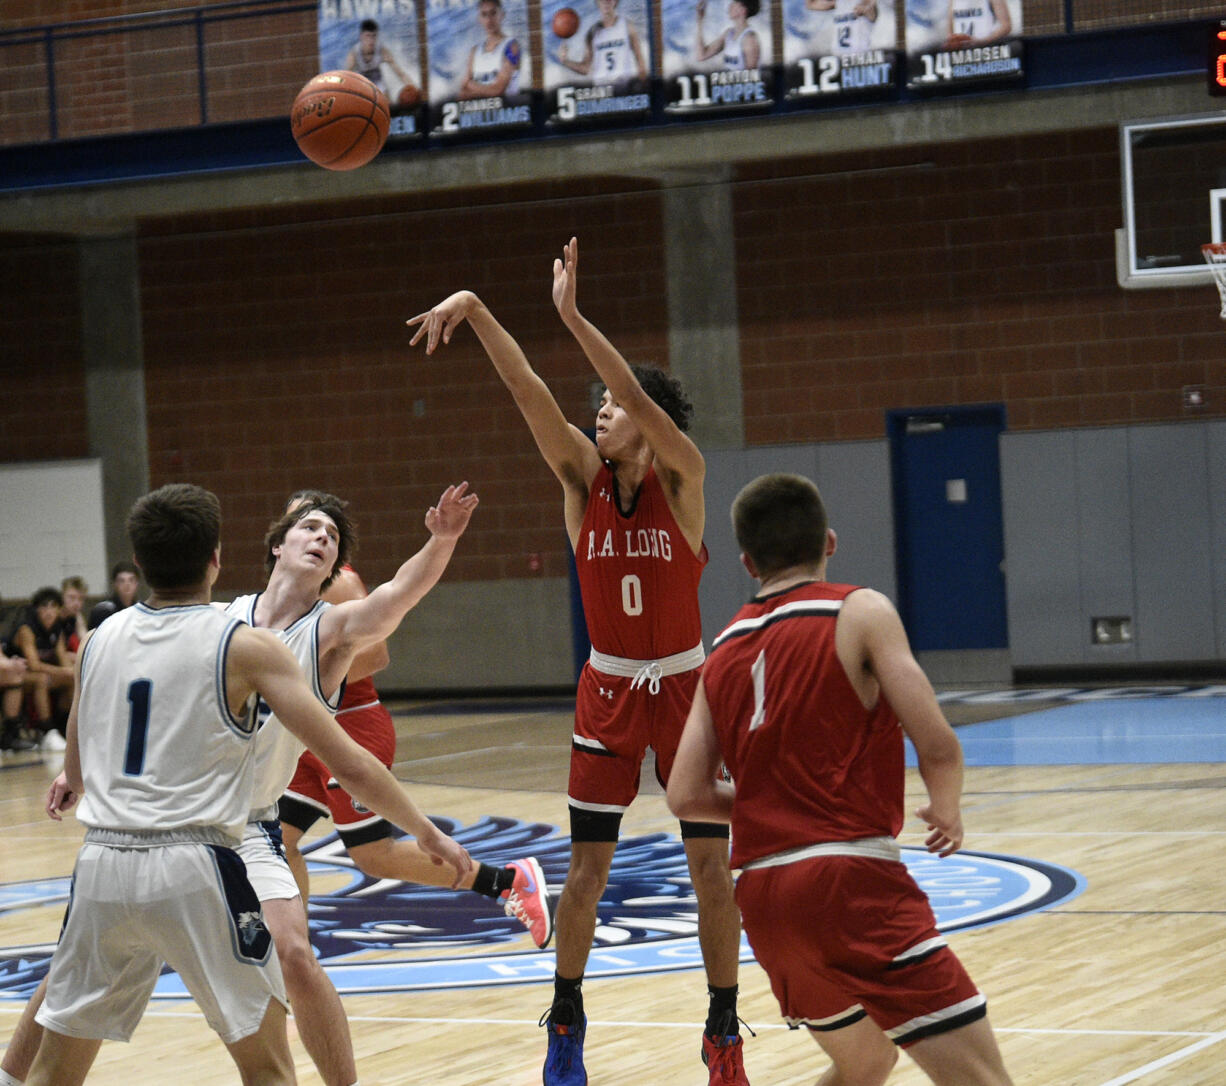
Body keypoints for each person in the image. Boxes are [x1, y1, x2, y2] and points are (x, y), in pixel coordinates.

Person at [407, 237, 751, 1086]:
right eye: (594, 404)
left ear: (651, 420)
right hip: (606, 690)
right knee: (587, 872)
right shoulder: (578, 479)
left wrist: (571, 316)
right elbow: (528, 394)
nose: (599, 411)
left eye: (612, 406)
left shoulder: (684, 479)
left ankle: (722, 1033)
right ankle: (565, 1020)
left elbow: (632, 388)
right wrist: (481, 310)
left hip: (684, 691)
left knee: (712, 869)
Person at [4, 485, 478, 1086]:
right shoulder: (222, 621)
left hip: (244, 825)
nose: (322, 537)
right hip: (195, 836)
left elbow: (396, 597)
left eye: (332, 537)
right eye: (310, 527)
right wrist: (73, 770)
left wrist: (441, 542)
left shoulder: (327, 629)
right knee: (72, 976)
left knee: (295, 955)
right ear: (273, 546)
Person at [666, 472, 1015, 1086]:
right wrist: (947, 807)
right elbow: (936, 742)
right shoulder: (860, 610)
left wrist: (767, 807)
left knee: (864, 1062)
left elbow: (686, 794)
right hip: (849, 884)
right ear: (829, 542)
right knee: (982, 1080)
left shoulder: (721, 649)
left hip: (766, 897)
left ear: (747, 562)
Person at [276, 490, 552, 950]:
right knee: (277, 838)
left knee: (375, 856)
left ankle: (507, 880)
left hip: (351, 725)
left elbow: (377, 654)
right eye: (299, 524)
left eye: (320, 527)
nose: (311, 534)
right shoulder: (284, 590)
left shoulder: (338, 583)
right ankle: (293, 949)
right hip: (306, 730)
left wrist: (306, 680)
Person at [4, 586, 74, 749]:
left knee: (71, 680)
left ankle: (63, 727)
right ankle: (47, 730)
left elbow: (62, 657)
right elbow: (34, 665)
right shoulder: (27, 629)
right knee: (42, 679)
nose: (48, 612)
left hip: (35, 674)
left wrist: (71, 672)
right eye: (44, 607)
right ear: (36, 610)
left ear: (59, 609)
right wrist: (64, 671)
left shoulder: (57, 629)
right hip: (18, 674)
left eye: (53, 607)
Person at [556, 0, 648, 86]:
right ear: (597, 2)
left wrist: (643, 86)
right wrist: (565, 61)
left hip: (624, 88)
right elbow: (585, 68)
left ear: (616, 1)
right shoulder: (592, 33)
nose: (606, 2)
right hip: (602, 92)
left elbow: (640, 62)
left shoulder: (627, 26)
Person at [459, 0, 522, 99]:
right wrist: (482, 89)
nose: (489, 19)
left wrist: (472, 85)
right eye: (484, 14)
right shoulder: (475, 51)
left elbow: (498, 90)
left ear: (502, 15)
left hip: (506, 112)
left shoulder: (511, 47)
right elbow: (463, 93)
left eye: (493, 13)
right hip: (479, 113)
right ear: (479, 19)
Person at [344, 17, 418, 98]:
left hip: (378, 82)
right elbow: (346, 79)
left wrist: (413, 87)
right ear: (361, 37)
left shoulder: (382, 51)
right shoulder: (354, 54)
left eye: (374, 36)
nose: (371, 40)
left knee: (386, 99)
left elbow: (399, 72)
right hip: (362, 82)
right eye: (367, 36)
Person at [695, 0, 761, 70]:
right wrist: (700, 20)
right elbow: (701, 55)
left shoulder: (750, 39)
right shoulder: (728, 34)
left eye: (734, 3)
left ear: (743, 10)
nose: (729, 6)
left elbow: (752, 76)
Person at [806, 0, 877, 57]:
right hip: (839, 57)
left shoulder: (864, 3)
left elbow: (868, 9)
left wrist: (866, 7)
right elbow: (811, 5)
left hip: (859, 57)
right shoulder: (838, 3)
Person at [86, 561, 140, 630]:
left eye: (131, 580)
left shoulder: (141, 610)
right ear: (115, 584)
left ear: (137, 583)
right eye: (122, 580)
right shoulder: (103, 611)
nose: (127, 584)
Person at [943, 0, 1011, 48]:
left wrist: (981, 42)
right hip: (962, 54)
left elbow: (1006, 26)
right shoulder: (953, 1)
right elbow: (950, 30)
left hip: (989, 50)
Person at [55, 576, 89, 657]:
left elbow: (86, 643)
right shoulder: (53, 617)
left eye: (81, 599)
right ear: (62, 597)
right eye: (71, 597)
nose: (76, 603)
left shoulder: (76, 617)